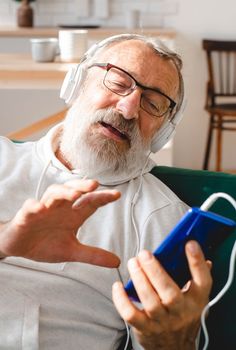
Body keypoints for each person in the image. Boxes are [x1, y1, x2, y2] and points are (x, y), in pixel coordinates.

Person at [0, 34, 212, 349]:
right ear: (77, 84)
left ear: (162, 131)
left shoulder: (163, 219)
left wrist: (171, 341)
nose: (128, 109)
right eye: (117, 82)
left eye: (151, 103)